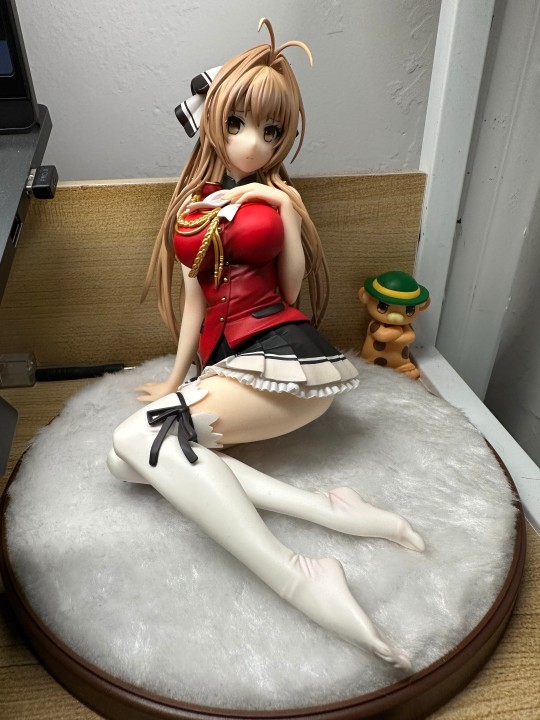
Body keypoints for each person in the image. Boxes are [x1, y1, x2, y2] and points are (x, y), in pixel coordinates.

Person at [108, 18, 423, 671]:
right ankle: (330, 509)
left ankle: (299, 574)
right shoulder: (193, 205)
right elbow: (195, 299)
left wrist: (283, 210)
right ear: (212, 122)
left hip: (281, 360)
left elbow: (291, 288)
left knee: (137, 439)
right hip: (228, 370)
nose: (253, 144)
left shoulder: (276, 198)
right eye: (237, 124)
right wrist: (176, 379)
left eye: (271, 131)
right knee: (125, 463)